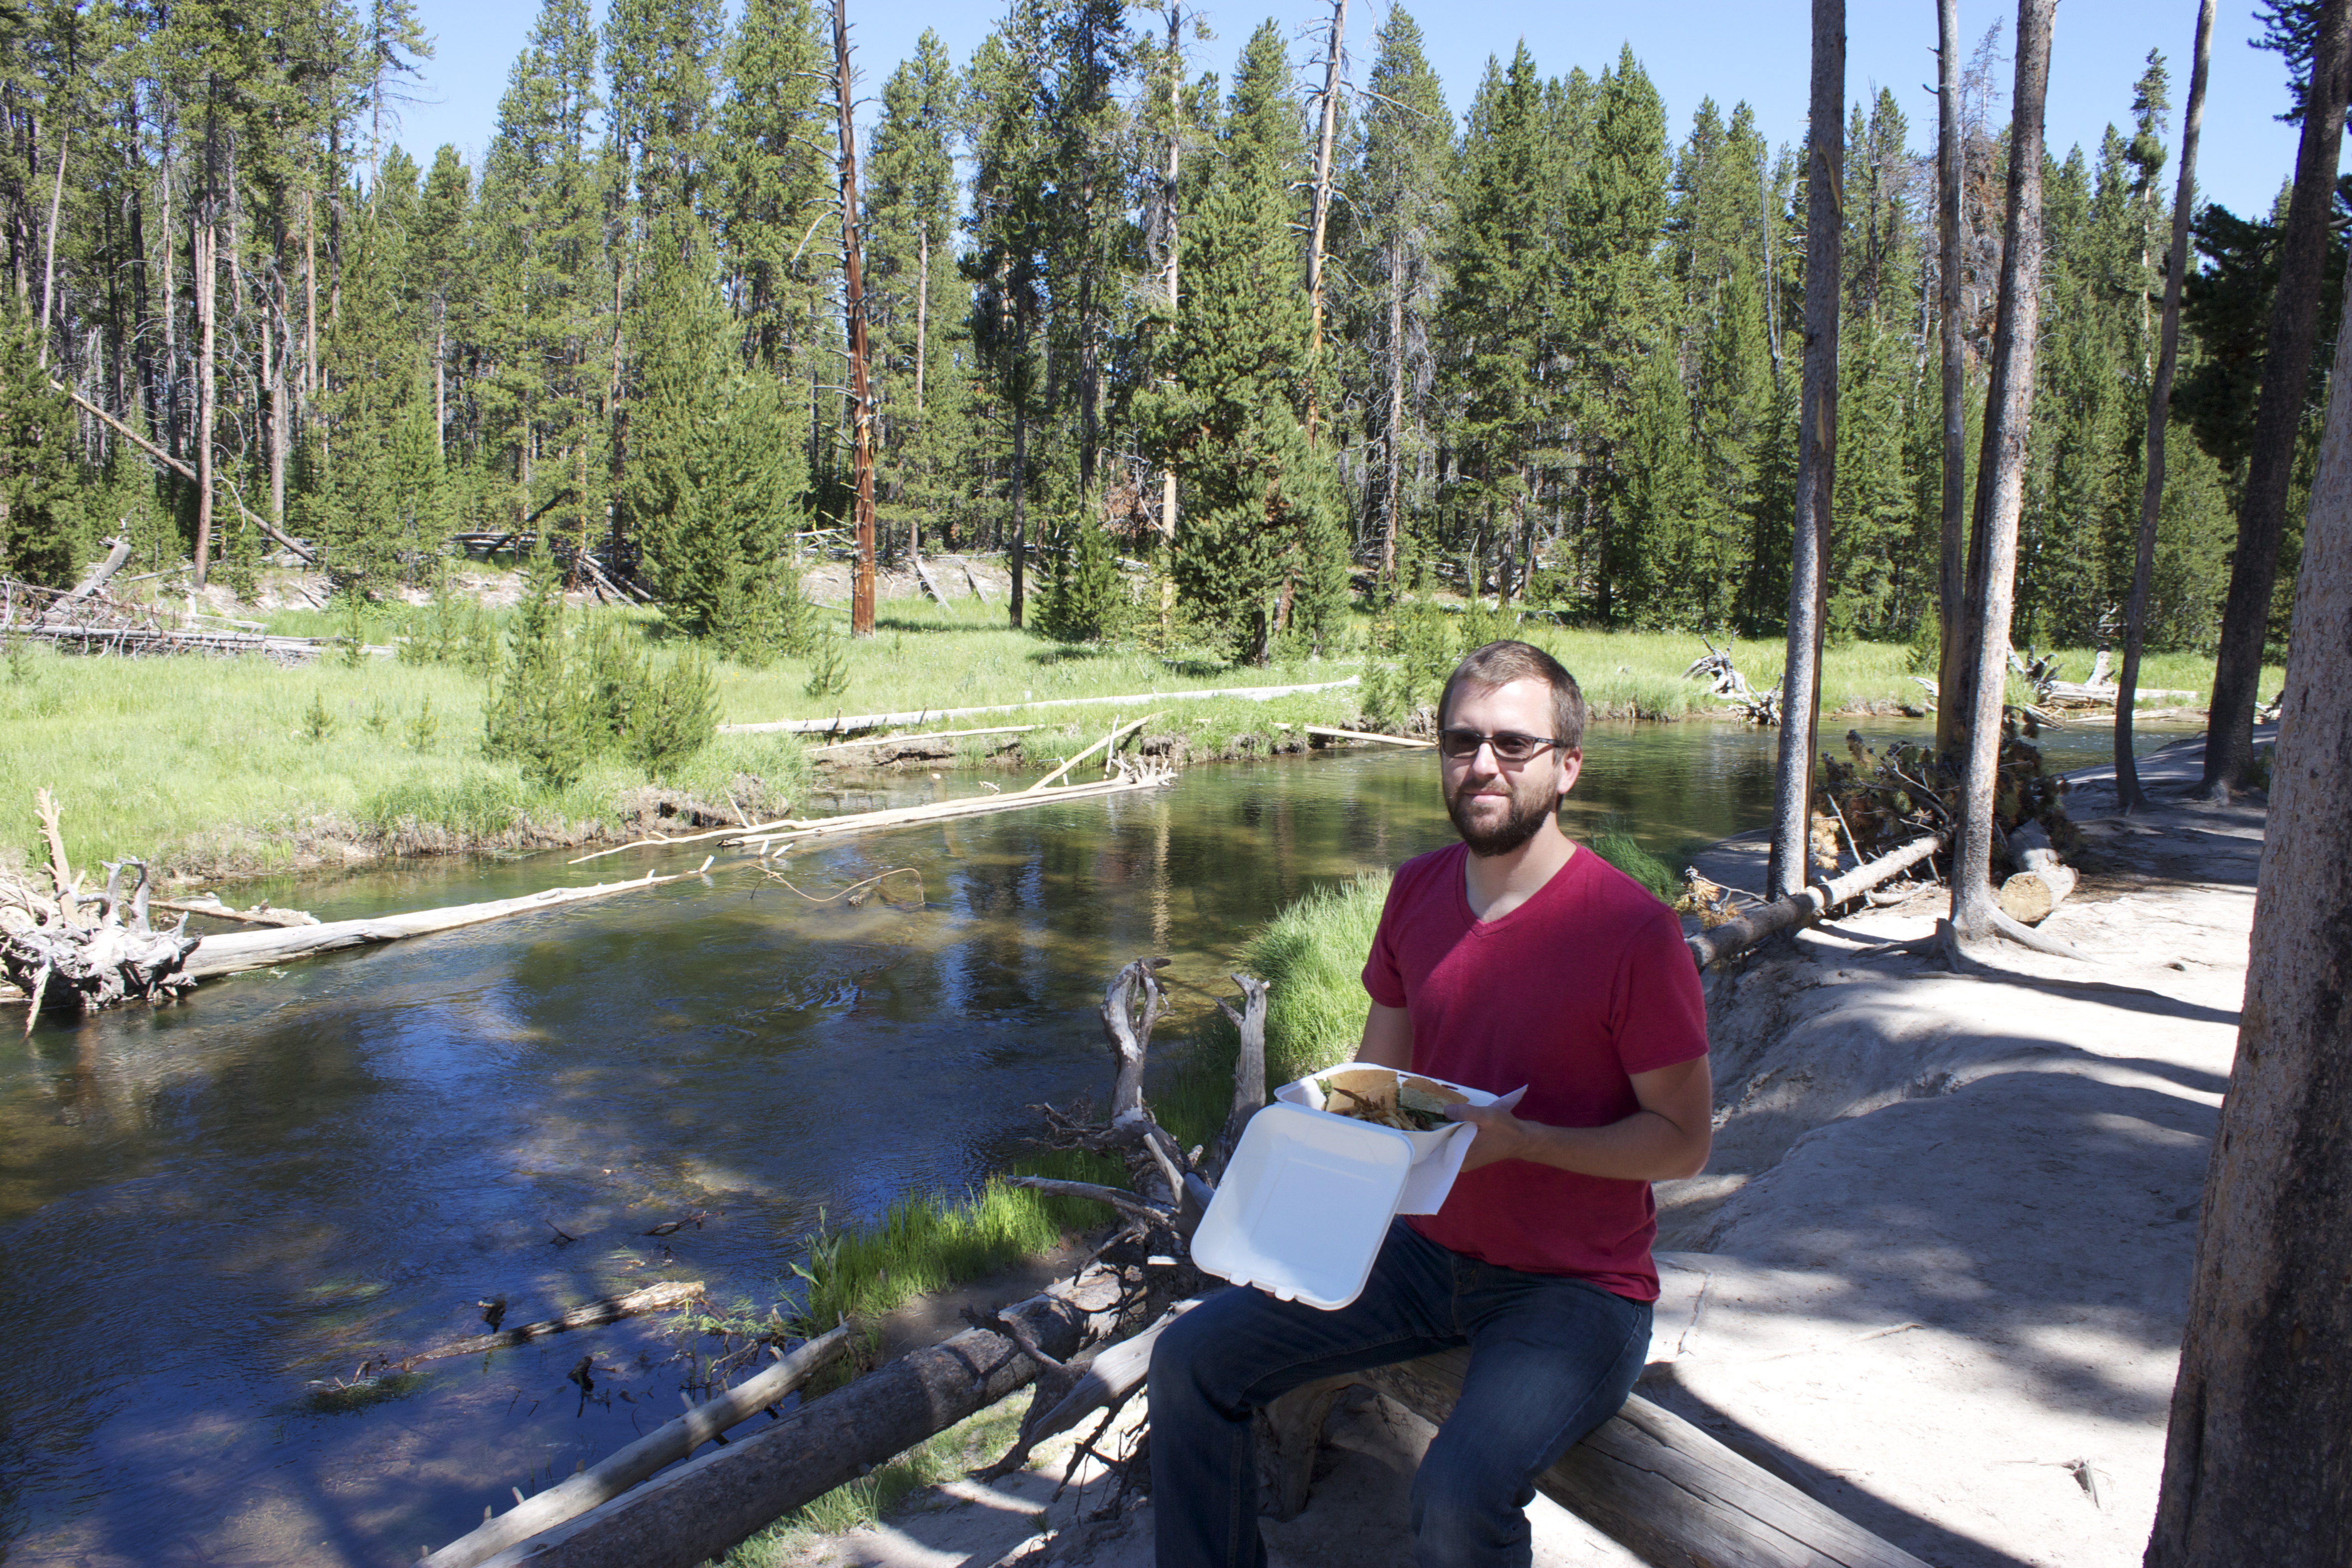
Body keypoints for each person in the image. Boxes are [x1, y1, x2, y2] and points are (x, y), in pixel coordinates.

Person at [1149, 639, 1713, 1568]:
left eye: (1514, 744)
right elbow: (1380, 1081)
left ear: (1568, 766)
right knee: (1190, 1362)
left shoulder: (1632, 932)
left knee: (1456, 1494)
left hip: (1575, 1293)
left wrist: (1523, 1141)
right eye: (1461, 741)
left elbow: (1684, 1142)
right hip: (1417, 1252)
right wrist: (1309, 1146)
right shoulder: (1414, 892)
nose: (1483, 763)